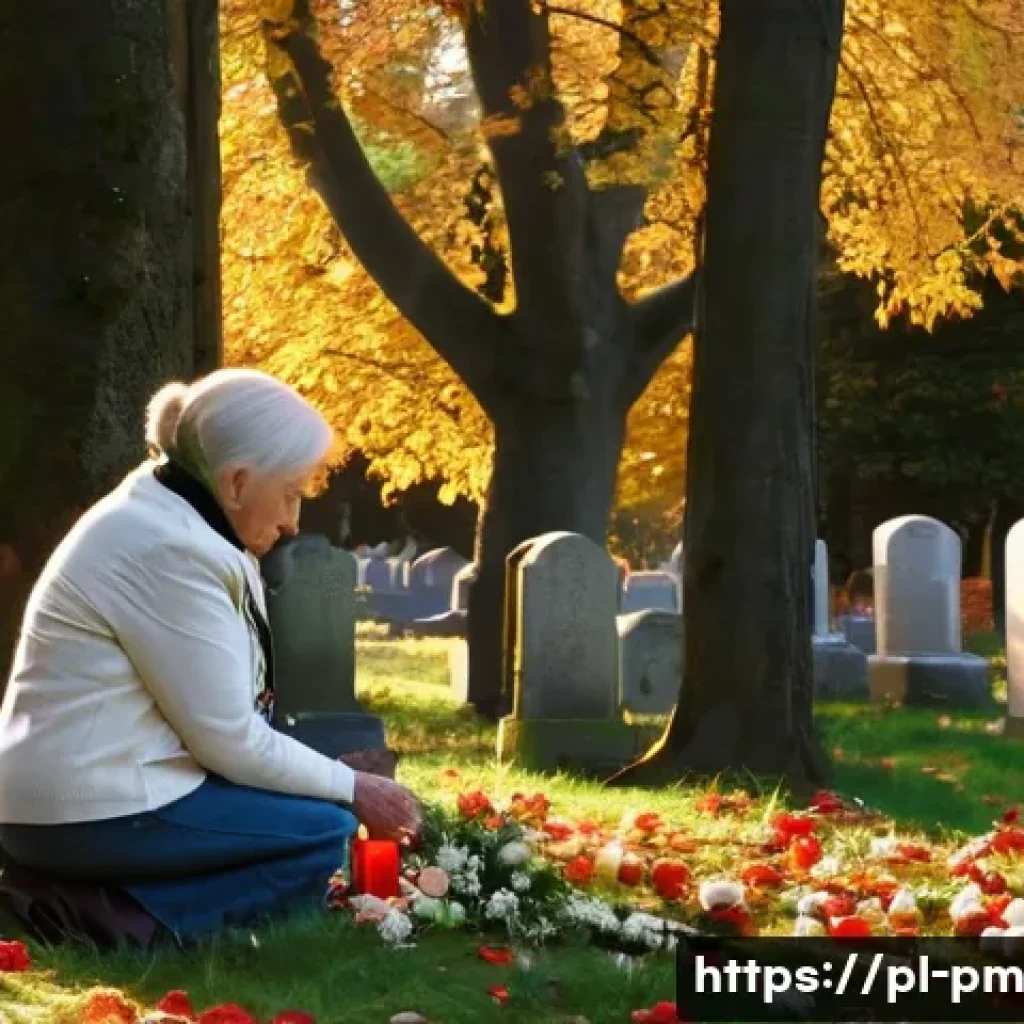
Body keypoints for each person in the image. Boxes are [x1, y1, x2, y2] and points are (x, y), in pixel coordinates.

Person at [0, 369, 421, 945]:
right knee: (325, 833)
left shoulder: (174, 514)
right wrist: (351, 786)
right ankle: (97, 916)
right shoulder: (168, 547)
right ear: (238, 482)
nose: (294, 521)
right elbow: (228, 741)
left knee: (315, 811)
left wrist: (331, 777)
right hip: (93, 809)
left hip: (93, 795)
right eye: (291, 493)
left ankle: (93, 897)